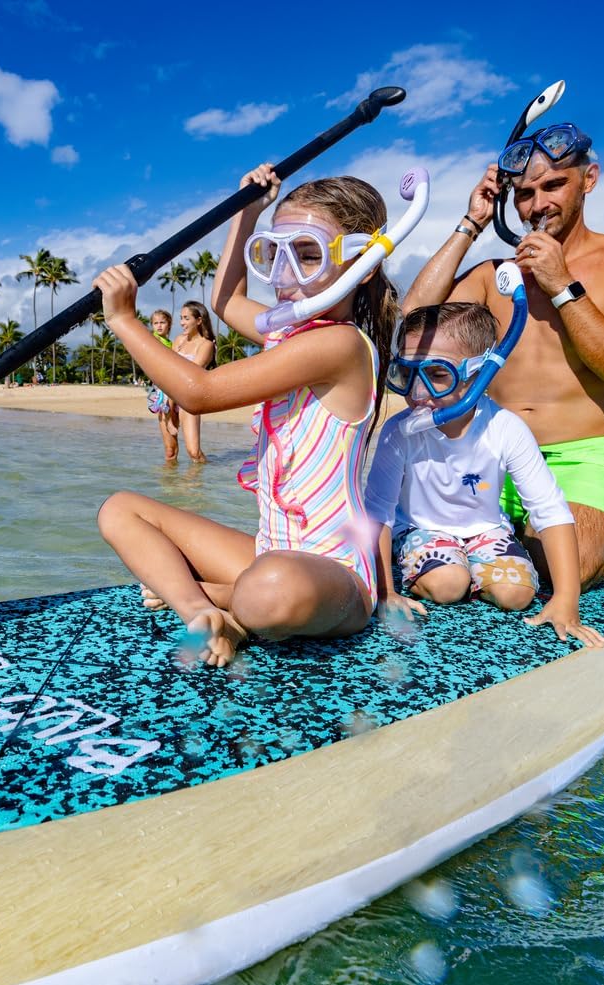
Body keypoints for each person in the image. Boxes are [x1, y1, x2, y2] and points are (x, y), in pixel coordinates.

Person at [93, 165, 399, 666]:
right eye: (273, 255)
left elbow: (200, 392)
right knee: (120, 509)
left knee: (269, 589)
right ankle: (201, 610)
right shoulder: (288, 334)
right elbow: (226, 299)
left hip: (335, 578)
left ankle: (214, 594)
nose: (284, 276)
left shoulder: (339, 344)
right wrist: (248, 213)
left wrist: (124, 322)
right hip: (267, 551)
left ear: (362, 262)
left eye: (307, 254)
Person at [402, 122, 604, 587]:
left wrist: (561, 284)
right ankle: (505, 537)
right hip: (488, 450)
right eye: (525, 193)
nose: (538, 204)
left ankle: (599, 535)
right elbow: (415, 322)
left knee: (562, 566)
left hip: (580, 456)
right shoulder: (494, 274)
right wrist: (472, 223)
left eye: (554, 186)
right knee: (442, 566)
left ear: (588, 180)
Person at [366, 303, 602, 647]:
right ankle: (449, 566)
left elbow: (550, 511)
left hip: (486, 529)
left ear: (478, 374)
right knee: (448, 585)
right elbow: (378, 511)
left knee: (515, 595)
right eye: (407, 374)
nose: (417, 394)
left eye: (437, 375)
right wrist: (385, 591)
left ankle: (470, 565)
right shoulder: (398, 431)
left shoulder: (505, 428)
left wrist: (566, 600)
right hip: (419, 526)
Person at [168, 301, 217, 462]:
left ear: (199, 320)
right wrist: (170, 400)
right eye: (181, 318)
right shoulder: (178, 340)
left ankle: (202, 484)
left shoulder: (206, 345)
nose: (182, 323)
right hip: (169, 396)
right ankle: (173, 486)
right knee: (170, 453)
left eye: (186, 318)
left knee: (193, 452)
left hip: (188, 399)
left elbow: (193, 374)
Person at [147, 310, 181, 460]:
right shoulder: (153, 339)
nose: (159, 326)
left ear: (169, 325)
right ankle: (169, 423)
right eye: (156, 323)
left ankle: (172, 466)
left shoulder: (170, 342)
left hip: (168, 378)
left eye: (162, 322)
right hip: (160, 379)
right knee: (165, 401)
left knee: (167, 403)